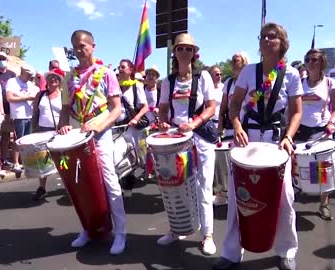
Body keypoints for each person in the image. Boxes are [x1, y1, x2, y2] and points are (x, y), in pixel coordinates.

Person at [214, 23, 302, 270]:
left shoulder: (292, 74)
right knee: (237, 195)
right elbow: (234, 104)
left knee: (284, 196)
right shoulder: (248, 72)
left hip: (276, 142)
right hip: (247, 138)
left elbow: (296, 112)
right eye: (262, 36)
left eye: (271, 36)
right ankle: (231, 253)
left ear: (282, 42)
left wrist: (288, 137)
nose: (265, 40)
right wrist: (237, 125)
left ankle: (286, 250)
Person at [58, 29, 126, 255]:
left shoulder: (106, 73)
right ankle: (89, 229)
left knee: (109, 180)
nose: (79, 50)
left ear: (93, 46)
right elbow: (65, 109)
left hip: (101, 133)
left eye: (83, 46)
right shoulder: (68, 78)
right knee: (81, 184)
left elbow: (116, 109)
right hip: (77, 136)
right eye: (75, 47)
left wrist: (99, 126)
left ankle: (120, 233)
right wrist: (63, 125)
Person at [157, 33, 217, 255]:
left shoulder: (204, 78)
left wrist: (195, 122)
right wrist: (162, 122)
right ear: (175, 52)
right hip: (175, 140)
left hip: (200, 137)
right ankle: (177, 230)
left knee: (203, 187)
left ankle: (207, 235)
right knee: (175, 186)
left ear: (194, 53)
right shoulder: (168, 81)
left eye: (188, 49)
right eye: (180, 48)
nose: (184, 52)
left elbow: (211, 107)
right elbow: (163, 108)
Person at [294, 49, 335, 220]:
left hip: (322, 129)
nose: (310, 62)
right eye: (307, 59)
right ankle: (293, 199)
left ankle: (324, 204)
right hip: (301, 129)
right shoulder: (299, 83)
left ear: (322, 62)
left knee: (322, 168)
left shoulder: (330, 83)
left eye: (314, 59)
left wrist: (331, 123)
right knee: (297, 165)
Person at [214, 53, 250, 206]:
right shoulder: (228, 83)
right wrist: (220, 125)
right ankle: (223, 193)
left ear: (244, 62)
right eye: (233, 61)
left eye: (237, 60)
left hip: (246, 126)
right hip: (230, 126)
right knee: (225, 161)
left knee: (243, 162)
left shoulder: (250, 80)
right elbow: (223, 106)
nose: (234, 63)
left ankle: (244, 194)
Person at [115, 59, 149, 196]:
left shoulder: (137, 86)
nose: (120, 69)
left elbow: (145, 107)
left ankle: (127, 185)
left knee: (129, 157)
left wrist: (135, 118)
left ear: (131, 70)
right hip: (117, 127)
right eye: (119, 67)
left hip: (131, 128)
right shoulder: (115, 87)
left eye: (123, 67)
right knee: (118, 157)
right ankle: (122, 185)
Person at [30, 68, 64, 201]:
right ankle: (42, 188)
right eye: (50, 78)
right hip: (42, 130)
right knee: (43, 161)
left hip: (59, 131)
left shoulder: (63, 95)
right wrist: (33, 132)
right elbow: (35, 114)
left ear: (60, 81)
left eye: (56, 78)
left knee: (62, 161)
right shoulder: (40, 95)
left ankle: (69, 186)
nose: (53, 80)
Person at [6, 64, 39, 173]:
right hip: (18, 115)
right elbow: (10, 98)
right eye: (28, 74)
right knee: (18, 140)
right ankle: (16, 162)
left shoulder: (31, 85)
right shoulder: (12, 82)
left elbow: (35, 99)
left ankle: (25, 161)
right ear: (22, 71)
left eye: (31, 75)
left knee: (26, 140)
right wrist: (26, 97)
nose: (29, 76)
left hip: (29, 115)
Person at [0, 52, 16, 169]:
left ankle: (3, 159)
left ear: (7, 61)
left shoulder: (12, 75)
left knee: (6, 136)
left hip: (9, 110)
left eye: (3, 59)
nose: (1, 61)